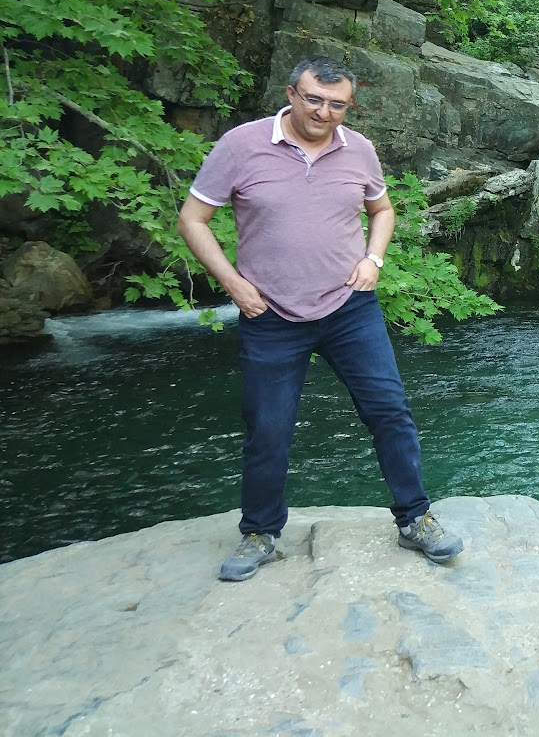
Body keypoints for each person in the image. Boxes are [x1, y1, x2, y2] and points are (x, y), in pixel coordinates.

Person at [178, 55, 463, 581]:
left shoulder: (359, 150)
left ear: (349, 106)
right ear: (291, 94)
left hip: (349, 307)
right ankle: (260, 533)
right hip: (269, 311)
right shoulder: (242, 144)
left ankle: (415, 518)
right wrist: (234, 285)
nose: (324, 112)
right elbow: (193, 219)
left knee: (390, 411)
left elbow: (382, 208)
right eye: (314, 99)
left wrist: (372, 260)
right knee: (268, 427)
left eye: (337, 104)